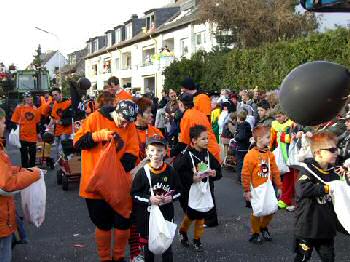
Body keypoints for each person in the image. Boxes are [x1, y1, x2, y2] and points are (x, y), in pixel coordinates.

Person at [74, 100, 140, 262]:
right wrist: (99, 135)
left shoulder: (129, 125)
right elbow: (78, 142)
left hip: (118, 184)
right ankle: (104, 258)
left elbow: (133, 150)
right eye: (122, 120)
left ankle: (118, 257)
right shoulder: (95, 118)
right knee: (102, 224)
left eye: (128, 122)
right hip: (95, 183)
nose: (124, 125)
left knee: (123, 221)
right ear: (116, 112)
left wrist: (118, 167)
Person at [131, 135, 182, 262]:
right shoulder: (142, 172)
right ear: (147, 152)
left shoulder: (170, 171)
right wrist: (149, 199)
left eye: (160, 150)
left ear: (165, 152)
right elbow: (134, 194)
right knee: (149, 248)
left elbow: (180, 191)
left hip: (166, 215)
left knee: (167, 247)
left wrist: (171, 198)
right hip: (148, 217)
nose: (156, 154)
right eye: (152, 150)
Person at [0, 107, 41, 262]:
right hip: (2, 216)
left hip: (5, 213)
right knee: (4, 252)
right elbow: (6, 185)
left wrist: (20, 170)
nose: (5, 126)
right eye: (3, 123)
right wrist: (34, 174)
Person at [294, 132, 342, 262]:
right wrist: (326, 188)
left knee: (329, 259)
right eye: (332, 150)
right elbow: (301, 189)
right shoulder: (307, 170)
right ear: (318, 153)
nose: (336, 152)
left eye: (336, 148)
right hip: (307, 227)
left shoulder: (334, 173)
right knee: (302, 258)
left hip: (326, 228)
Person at [174, 125, 222, 251]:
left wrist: (214, 173)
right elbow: (177, 171)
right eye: (203, 139)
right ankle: (183, 231)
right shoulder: (185, 155)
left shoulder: (206, 153)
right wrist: (191, 178)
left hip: (203, 191)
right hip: (188, 192)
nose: (207, 141)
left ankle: (197, 239)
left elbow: (217, 167)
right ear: (194, 140)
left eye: (207, 138)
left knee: (201, 215)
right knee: (190, 215)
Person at [242, 126, 282, 244]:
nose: (270, 139)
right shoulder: (250, 155)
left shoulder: (270, 154)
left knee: (272, 209)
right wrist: (246, 190)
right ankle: (255, 233)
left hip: (268, 187)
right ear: (259, 139)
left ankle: (263, 227)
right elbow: (245, 174)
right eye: (268, 137)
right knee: (257, 211)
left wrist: (279, 186)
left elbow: (275, 170)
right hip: (256, 188)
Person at [270, 106, 297, 211]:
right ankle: (284, 199)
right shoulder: (275, 126)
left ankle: (288, 200)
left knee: (290, 178)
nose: (277, 118)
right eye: (276, 116)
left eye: (279, 116)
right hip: (280, 154)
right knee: (284, 177)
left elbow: (290, 138)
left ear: (285, 115)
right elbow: (272, 139)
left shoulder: (290, 125)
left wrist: (284, 138)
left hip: (290, 154)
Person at [11, 91, 41, 168]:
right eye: (27, 97)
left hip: (33, 137)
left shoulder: (36, 109)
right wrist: (15, 133)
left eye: (30, 97)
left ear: (32, 98)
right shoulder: (19, 108)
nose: (28, 99)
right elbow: (14, 121)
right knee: (24, 156)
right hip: (22, 136)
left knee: (33, 156)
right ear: (24, 99)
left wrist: (39, 134)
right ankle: (25, 172)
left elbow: (37, 123)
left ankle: (33, 172)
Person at [50, 88, 73, 157]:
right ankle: (62, 167)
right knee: (57, 151)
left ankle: (64, 167)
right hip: (57, 132)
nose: (54, 97)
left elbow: (71, 118)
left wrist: (61, 122)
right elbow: (53, 118)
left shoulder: (68, 103)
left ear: (60, 94)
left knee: (61, 150)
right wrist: (48, 127)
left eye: (56, 95)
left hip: (66, 131)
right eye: (53, 95)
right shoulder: (55, 105)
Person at [234, 111, 252, 184]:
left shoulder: (241, 126)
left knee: (240, 163)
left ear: (238, 118)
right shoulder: (248, 125)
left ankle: (240, 178)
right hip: (246, 146)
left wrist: (236, 137)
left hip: (240, 146)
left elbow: (241, 136)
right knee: (245, 163)